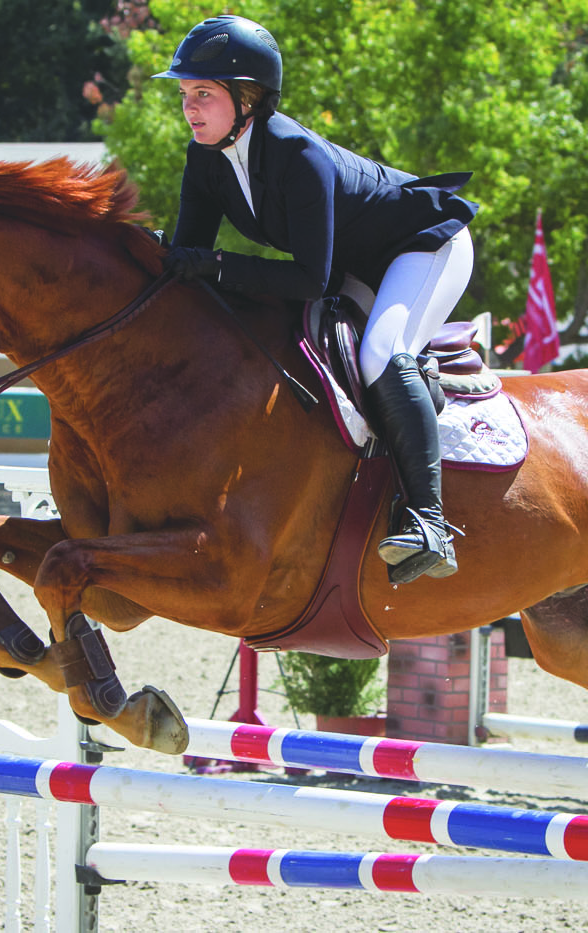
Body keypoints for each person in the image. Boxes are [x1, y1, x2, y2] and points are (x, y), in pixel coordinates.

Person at [154, 15, 478, 584]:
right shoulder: (204, 158)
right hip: (353, 263)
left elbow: (308, 279)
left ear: (247, 97)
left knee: (380, 353)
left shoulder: (296, 154)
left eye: (203, 93)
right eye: (185, 93)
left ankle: (430, 521)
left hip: (424, 247)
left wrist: (219, 266)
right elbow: (188, 257)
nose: (190, 106)